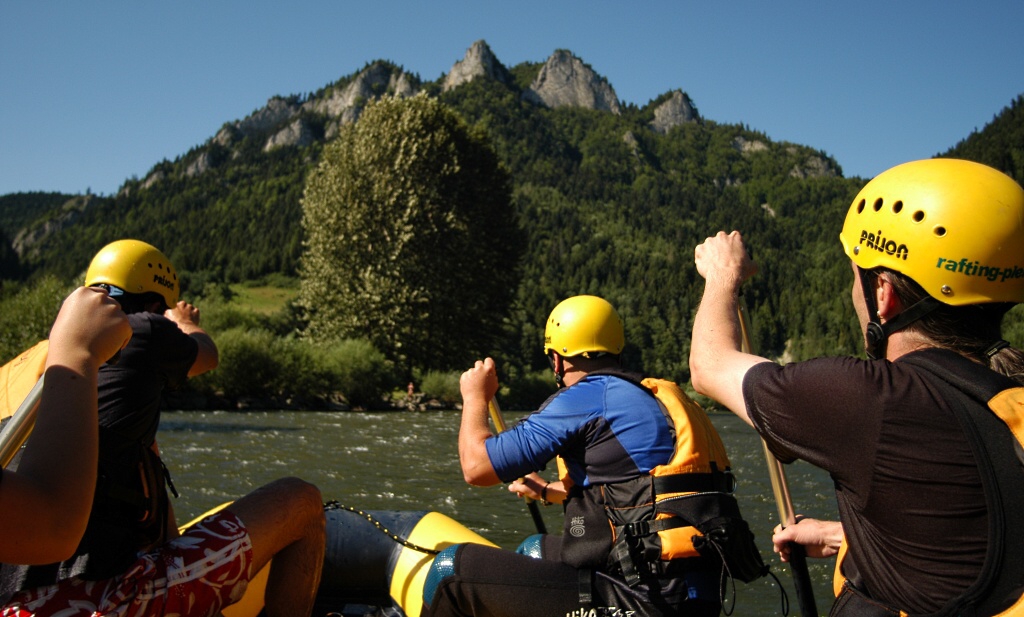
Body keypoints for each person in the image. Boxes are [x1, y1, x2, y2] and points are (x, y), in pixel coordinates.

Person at [689, 158, 1024, 615]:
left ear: (883, 292)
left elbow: (709, 365)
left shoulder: (874, 400)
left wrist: (722, 275)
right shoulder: (1009, 397)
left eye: (857, 277)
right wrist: (837, 534)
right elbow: (971, 536)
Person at [1, 240, 326, 617]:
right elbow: (206, 355)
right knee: (302, 501)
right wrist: (184, 322)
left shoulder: (31, 361)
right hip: (94, 599)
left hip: (14, 600)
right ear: (156, 304)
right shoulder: (144, 329)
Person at [421, 295, 765, 617]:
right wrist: (544, 490)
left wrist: (475, 396)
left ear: (556, 359)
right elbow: (644, 500)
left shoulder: (587, 398)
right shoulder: (655, 398)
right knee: (534, 549)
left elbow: (476, 467)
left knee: (449, 571)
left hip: (643, 600)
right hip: (693, 596)